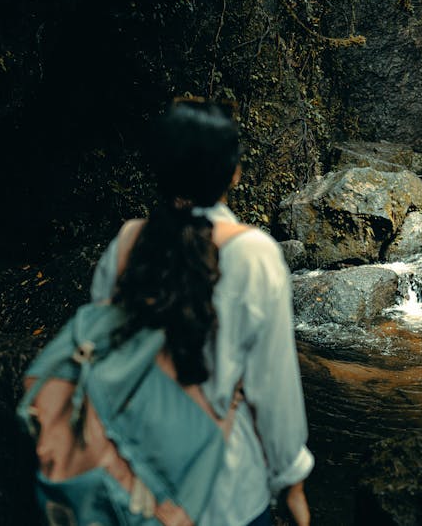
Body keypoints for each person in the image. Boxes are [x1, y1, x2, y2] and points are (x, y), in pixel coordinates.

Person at [90, 100, 313, 526]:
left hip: (129, 484)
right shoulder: (253, 254)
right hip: (226, 494)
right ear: (234, 173)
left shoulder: (123, 245)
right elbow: (274, 387)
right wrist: (292, 481)